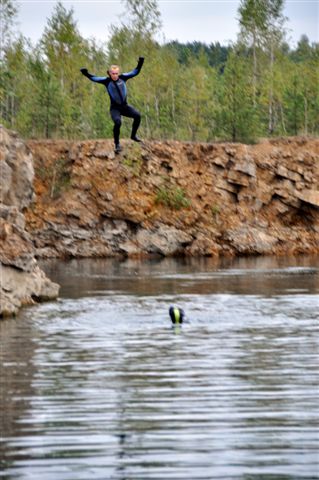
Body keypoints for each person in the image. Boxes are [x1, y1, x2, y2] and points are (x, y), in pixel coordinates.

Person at [80, 57, 144, 153]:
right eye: (113, 73)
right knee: (118, 122)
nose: (115, 75)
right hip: (115, 109)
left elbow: (135, 72)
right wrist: (86, 73)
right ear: (109, 73)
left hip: (125, 107)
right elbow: (94, 78)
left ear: (118, 73)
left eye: (116, 73)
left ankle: (133, 136)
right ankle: (117, 144)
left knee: (137, 115)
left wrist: (140, 63)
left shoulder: (123, 78)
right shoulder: (106, 81)